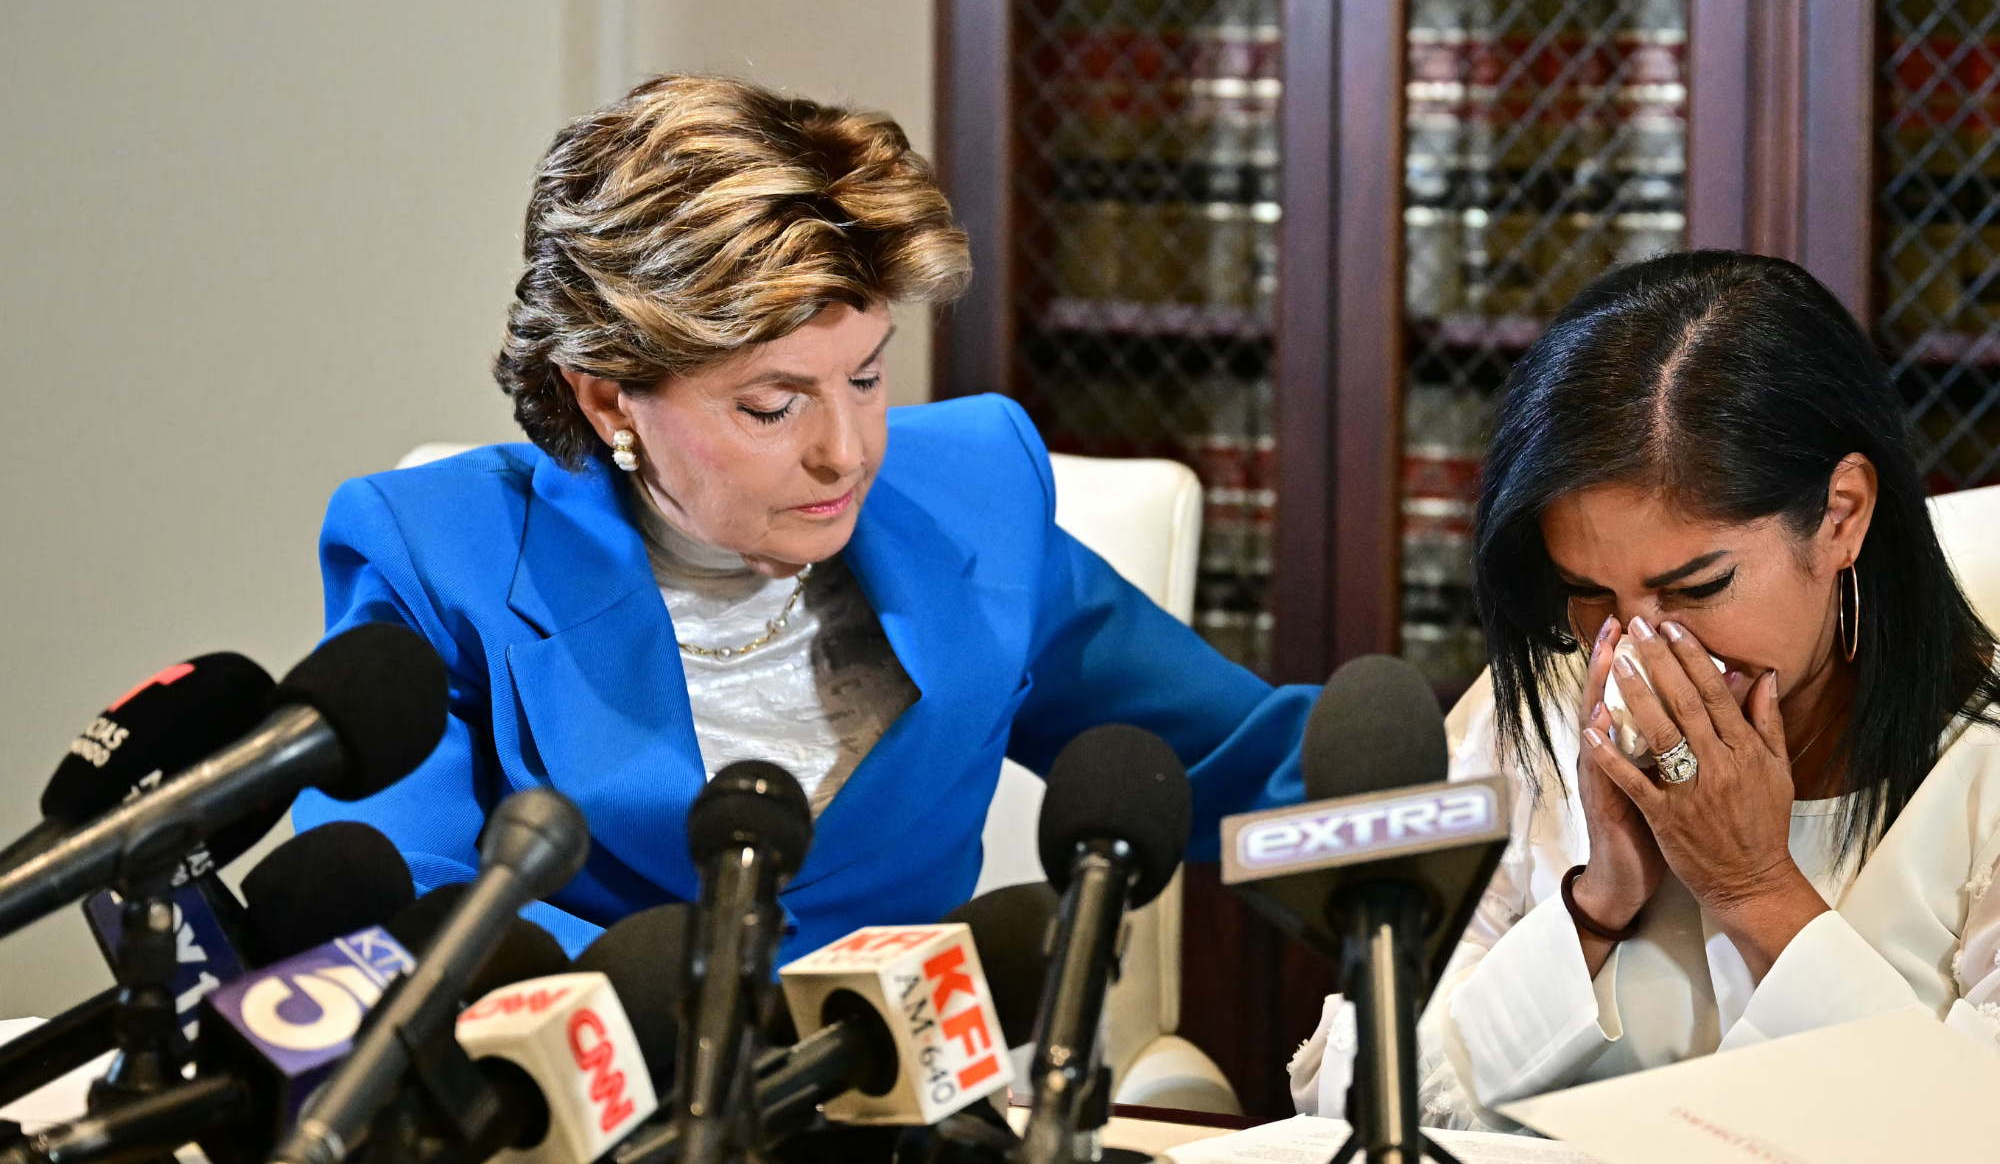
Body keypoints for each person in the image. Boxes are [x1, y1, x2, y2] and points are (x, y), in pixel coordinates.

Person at [295, 75, 1314, 958]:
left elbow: (1253, 765)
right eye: (772, 404)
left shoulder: (980, 498)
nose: (847, 449)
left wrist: (1464, 781)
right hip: (575, 1132)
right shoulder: (441, 559)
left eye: (866, 376)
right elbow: (390, 923)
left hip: (901, 1138)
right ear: (609, 397)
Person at [1291, 251, 2000, 1144]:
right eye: (1593, 596)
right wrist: (1596, 902)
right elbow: (1363, 1118)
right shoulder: (1535, 719)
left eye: (1695, 589)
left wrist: (1755, 889)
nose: (1643, 650)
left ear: (1841, 515)